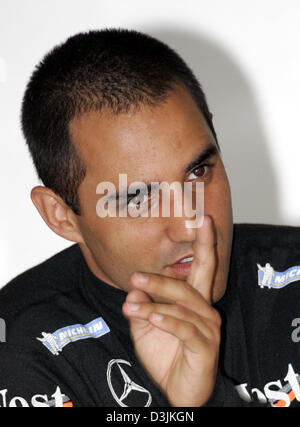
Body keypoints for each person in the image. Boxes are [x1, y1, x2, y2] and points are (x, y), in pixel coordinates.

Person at [0, 28, 299, 408]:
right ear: (61, 215)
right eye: (138, 197)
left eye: (199, 172)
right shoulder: (19, 348)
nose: (191, 225)